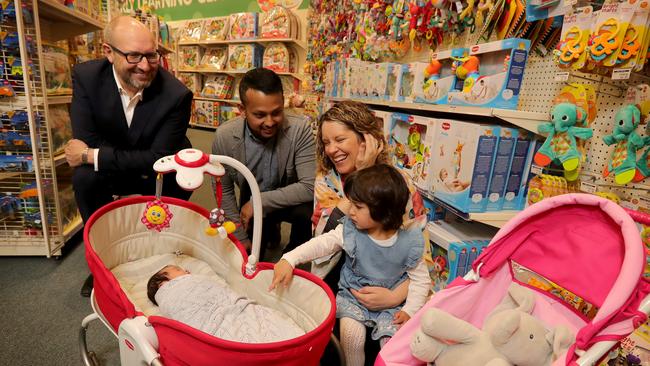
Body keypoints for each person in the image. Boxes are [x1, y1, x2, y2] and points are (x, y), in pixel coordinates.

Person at [65, 16, 193, 297]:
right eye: (134, 55)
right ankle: (102, 262)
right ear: (108, 52)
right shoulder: (86, 78)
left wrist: (92, 154)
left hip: (157, 168)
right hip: (114, 167)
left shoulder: (177, 95)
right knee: (84, 178)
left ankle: (160, 252)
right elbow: (87, 136)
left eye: (151, 55)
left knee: (185, 178)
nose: (145, 66)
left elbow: (158, 156)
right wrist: (97, 155)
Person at [271, 165, 430, 366]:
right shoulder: (351, 231)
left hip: (393, 307)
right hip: (352, 300)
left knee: (392, 343)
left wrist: (410, 311)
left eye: (358, 206)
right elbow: (323, 243)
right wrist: (289, 258)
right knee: (351, 336)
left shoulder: (409, 242)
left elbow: (421, 280)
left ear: (383, 212)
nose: (351, 211)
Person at [312, 101, 426, 310]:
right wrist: (361, 174)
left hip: (394, 285)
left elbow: (417, 250)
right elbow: (324, 239)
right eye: (326, 142)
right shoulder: (327, 180)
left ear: (367, 138)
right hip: (340, 284)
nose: (330, 149)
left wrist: (394, 296)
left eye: (339, 139)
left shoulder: (399, 181)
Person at [211, 67, 315, 259]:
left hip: (287, 199)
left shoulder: (300, 129)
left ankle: (291, 256)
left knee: (307, 213)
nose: (269, 122)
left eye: (276, 112)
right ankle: (269, 229)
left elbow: (309, 187)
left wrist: (260, 202)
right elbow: (223, 190)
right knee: (251, 255)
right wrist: (240, 237)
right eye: (260, 115)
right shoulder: (224, 136)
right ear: (242, 110)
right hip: (250, 199)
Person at [148, 265, 304, 343]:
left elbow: (218, 292)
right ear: (163, 285)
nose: (187, 271)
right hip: (210, 326)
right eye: (178, 269)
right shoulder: (171, 295)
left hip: (237, 309)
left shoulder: (195, 281)